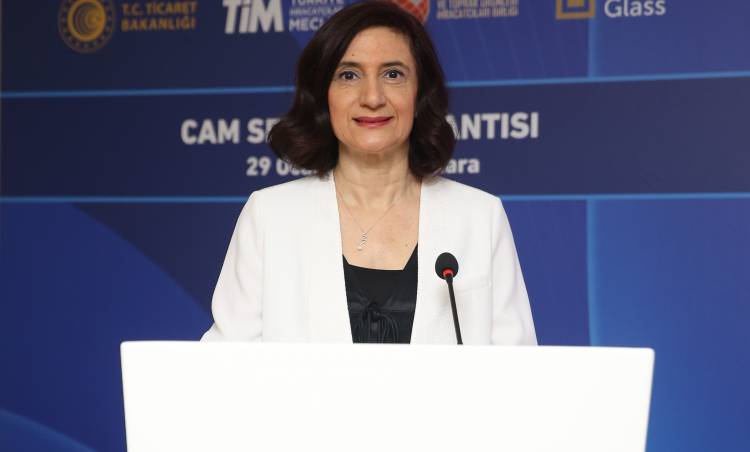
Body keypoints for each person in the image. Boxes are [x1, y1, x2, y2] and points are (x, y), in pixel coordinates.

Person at [202, 1, 536, 345]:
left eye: (393, 74)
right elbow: (223, 366)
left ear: (420, 93)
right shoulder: (269, 216)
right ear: (323, 95)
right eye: (349, 75)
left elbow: (519, 367)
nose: (372, 97)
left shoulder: (480, 217)